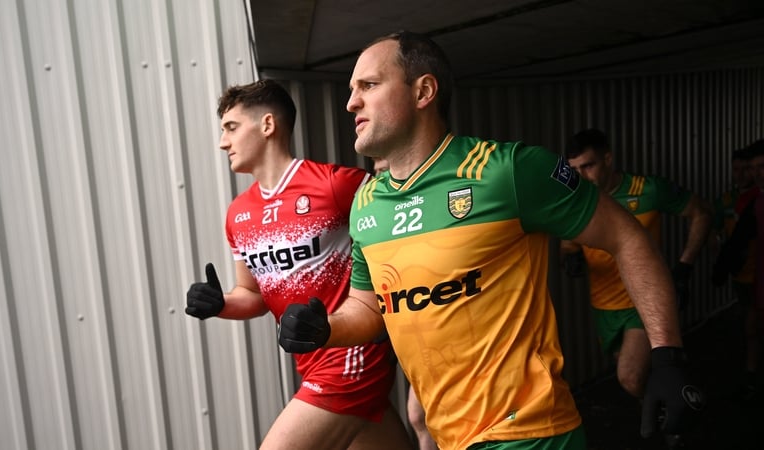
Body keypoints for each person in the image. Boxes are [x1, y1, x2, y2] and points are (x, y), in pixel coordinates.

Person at [276, 31, 705, 450]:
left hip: (528, 433)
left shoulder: (508, 170)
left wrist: (667, 356)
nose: (352, 101)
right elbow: (369, 306)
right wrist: (324, 329)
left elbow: (627, 237)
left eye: (368, 85)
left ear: (424, 91)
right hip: (452, 435)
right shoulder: (368, 202)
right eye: (353, 89)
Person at [185, 79, 413, 450]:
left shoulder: (335, 185)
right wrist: (220, 304)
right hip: (310, 364)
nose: (222, 142)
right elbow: (253, 296)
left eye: (231, 128)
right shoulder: (237, 214)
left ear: (268, 125)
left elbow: (404, 210)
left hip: (352, 359)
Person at [560, 128, 713, 401]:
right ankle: (671, 404)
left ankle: (670, 420)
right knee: (639, 374)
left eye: (589, 166)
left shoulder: (648, 190)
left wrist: (684, 266)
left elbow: (700, 213)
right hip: (604, 307)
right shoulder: (576, 199)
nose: (582, 176)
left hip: (642, 302)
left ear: (608, 159)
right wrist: (570, 253)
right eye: (575, 169)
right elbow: (569, 239)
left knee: (629, 376)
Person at [372, 156, 439, 450]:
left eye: (385, 171)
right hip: (407, 332)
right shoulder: (374, 212)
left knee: (423, 415)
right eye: (376, 173)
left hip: (441, 330)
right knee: (419, 416)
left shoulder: (431, 206)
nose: (380, 180)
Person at [714, 139, 764, 400]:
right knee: (751, 324)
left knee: (752, 324)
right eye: (743, 169)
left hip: (755, 272)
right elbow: (720, 230)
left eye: (755, 167)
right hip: (745, 275)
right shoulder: (731, 199)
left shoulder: (755, 198)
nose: (751, 173)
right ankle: (751, 373)